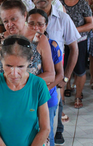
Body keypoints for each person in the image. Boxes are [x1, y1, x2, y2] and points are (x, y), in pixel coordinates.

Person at [32, 0, 80, 144]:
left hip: (54, 79)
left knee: (50, 123)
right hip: (31, 82)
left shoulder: (62, 18)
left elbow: (74, 48)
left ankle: (57, 133)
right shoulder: (28, 19)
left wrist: (65, 78)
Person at [0, 35, 50, 146]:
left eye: (20, 66)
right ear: (1, 60)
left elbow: (45, 128)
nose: (14, 73)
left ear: (30, 61)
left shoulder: (38, 85)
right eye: (8, 65)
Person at [0, 0, 55, 86]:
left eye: (14, 19)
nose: (10, 24)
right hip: (5, 91)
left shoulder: (40, 39)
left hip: (30, 92)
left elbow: (50, 75)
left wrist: (22, 84)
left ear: (25, 15)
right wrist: (8, 83)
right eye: (5, 21)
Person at [27, 8, 63, 146]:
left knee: (46, 133)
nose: (36, 27)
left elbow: (60, 74)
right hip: (27, 95)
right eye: (31, 23)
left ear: (46, 25)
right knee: (30, 131)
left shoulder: (52, 45)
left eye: (40, 24)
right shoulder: (21, 45)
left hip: (47, 95)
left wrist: (46, 88)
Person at [60, 0, 93, 108]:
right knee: (61, 70)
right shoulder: (59, 3)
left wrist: (73, 30)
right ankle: (61, 99)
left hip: (79, 41)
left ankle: (78, 96)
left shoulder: (83, 4)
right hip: (61, 42)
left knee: (79, 70)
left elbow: (90, 24)